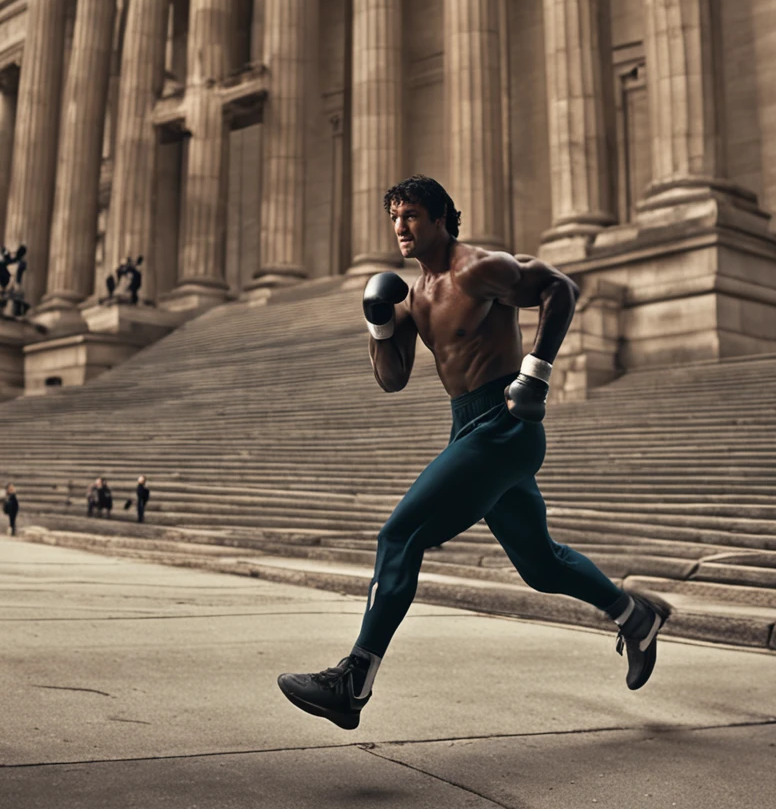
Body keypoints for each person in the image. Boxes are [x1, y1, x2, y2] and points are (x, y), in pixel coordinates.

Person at [278, 175, 671, 731]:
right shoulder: (414, 297)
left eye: (411, 215)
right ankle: (636, 617)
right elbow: (392, 379)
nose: (400, 228)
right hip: (467, 429)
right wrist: (378, 320)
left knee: (400, 534)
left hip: (505, 422)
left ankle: (354, 679)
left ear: (441, 218)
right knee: (540, 564)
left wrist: (535, 376)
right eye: (394, 217)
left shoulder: (480, 268)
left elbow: (561, 288)